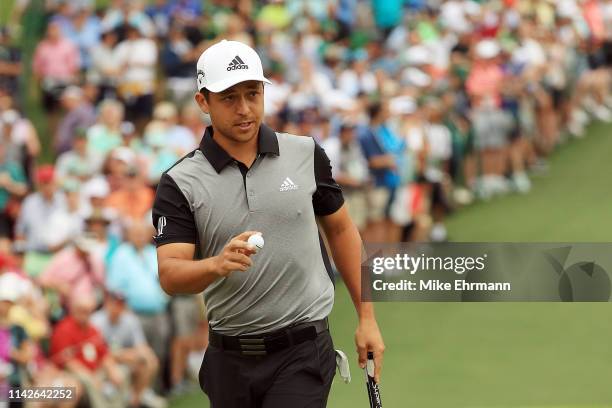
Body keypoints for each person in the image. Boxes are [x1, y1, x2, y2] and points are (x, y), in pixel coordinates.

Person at [152, 39, 384, 407]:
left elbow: (341, 230)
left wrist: (366, 317)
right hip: (228, 360)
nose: (244, 109)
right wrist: (216, 265)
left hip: (302, 352)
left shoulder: (305, 153)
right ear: (203, 102)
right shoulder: (180, 182)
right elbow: (170, 273)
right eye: (229, 98)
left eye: (253, 94)